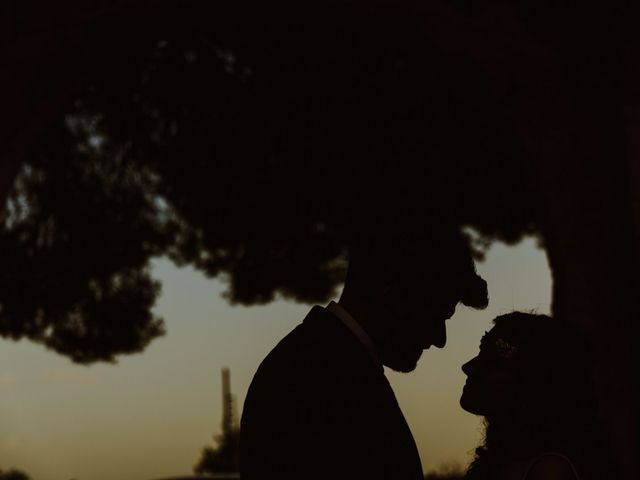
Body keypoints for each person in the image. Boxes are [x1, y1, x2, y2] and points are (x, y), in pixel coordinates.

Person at [240, 224, 488, 480]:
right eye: (436, 317)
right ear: (389, 296)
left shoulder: (319, 363)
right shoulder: (319, 376)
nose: (440, 339)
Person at [460, 312, 609, 480]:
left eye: (492, 362)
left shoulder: (549, 472)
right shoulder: (507, 460)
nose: (468, 367)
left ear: (532, 383)